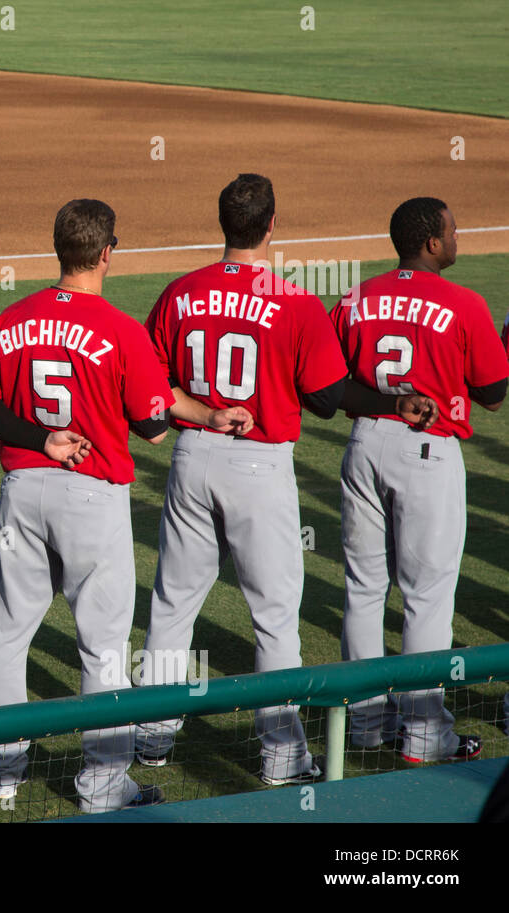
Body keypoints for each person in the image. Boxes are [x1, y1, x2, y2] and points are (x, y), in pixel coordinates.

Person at [0, 198, 180, 813]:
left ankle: (1, 774)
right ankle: (103, 786)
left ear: (60, 249)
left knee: (7, 636)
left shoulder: (13, 318)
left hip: (24, 491)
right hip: (92, 495)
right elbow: (153, 426)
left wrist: (40, 437)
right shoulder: (120, 329)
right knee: (104, 647)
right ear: (107, 251)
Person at [135, 174, 349, 786]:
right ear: (272, 225)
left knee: (174, 604)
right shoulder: (297, 302)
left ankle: (152, 737)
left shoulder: (180, 293)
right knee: (275, 615)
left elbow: (152, 391)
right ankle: (282, 755)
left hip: (193, 454)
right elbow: (329, 399)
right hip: (260, 464)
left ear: (223, 223)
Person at [331, 197, 508, 762]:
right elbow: (493, 392)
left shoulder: (356, 298)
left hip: (363, 447)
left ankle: (362, 726)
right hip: (428, 455)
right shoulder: (464, 303)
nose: (459, 237)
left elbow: (330, 388)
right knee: (426, 599)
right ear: (432, 242)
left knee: (363, 589)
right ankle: (425, 735)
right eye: (454, 230)